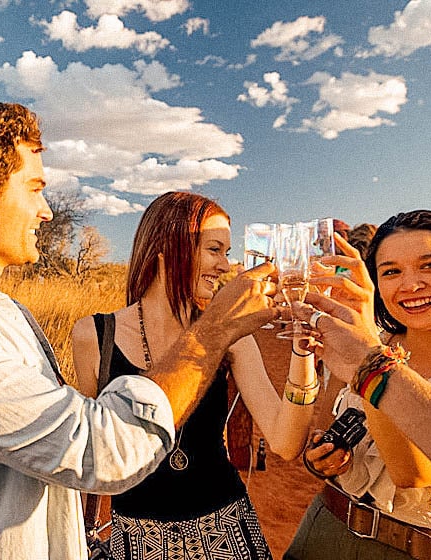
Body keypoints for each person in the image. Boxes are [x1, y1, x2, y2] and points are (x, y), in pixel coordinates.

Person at [0, 94, 279, 560]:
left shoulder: (4, 315)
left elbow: (54, 451)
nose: (45, 210)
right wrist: (214, 330)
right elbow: (102, 450)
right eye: (34, 188)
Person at [71, 192, 317, 560]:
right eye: (214, 249)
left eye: (227, 252)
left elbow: (285, 440)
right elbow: (90, 453)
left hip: (227, 534)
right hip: (134, 543)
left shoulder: (231, 334)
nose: (226, 266)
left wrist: (302, 351)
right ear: (167, 245)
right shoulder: (94, 336)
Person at [284, 210, 431, 560]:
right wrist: (323, 459)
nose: (410, 285)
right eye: (391, 272)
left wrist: (371, 356)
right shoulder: (371, 341)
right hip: (321, 531)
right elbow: (328, 427)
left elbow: (413, 473)